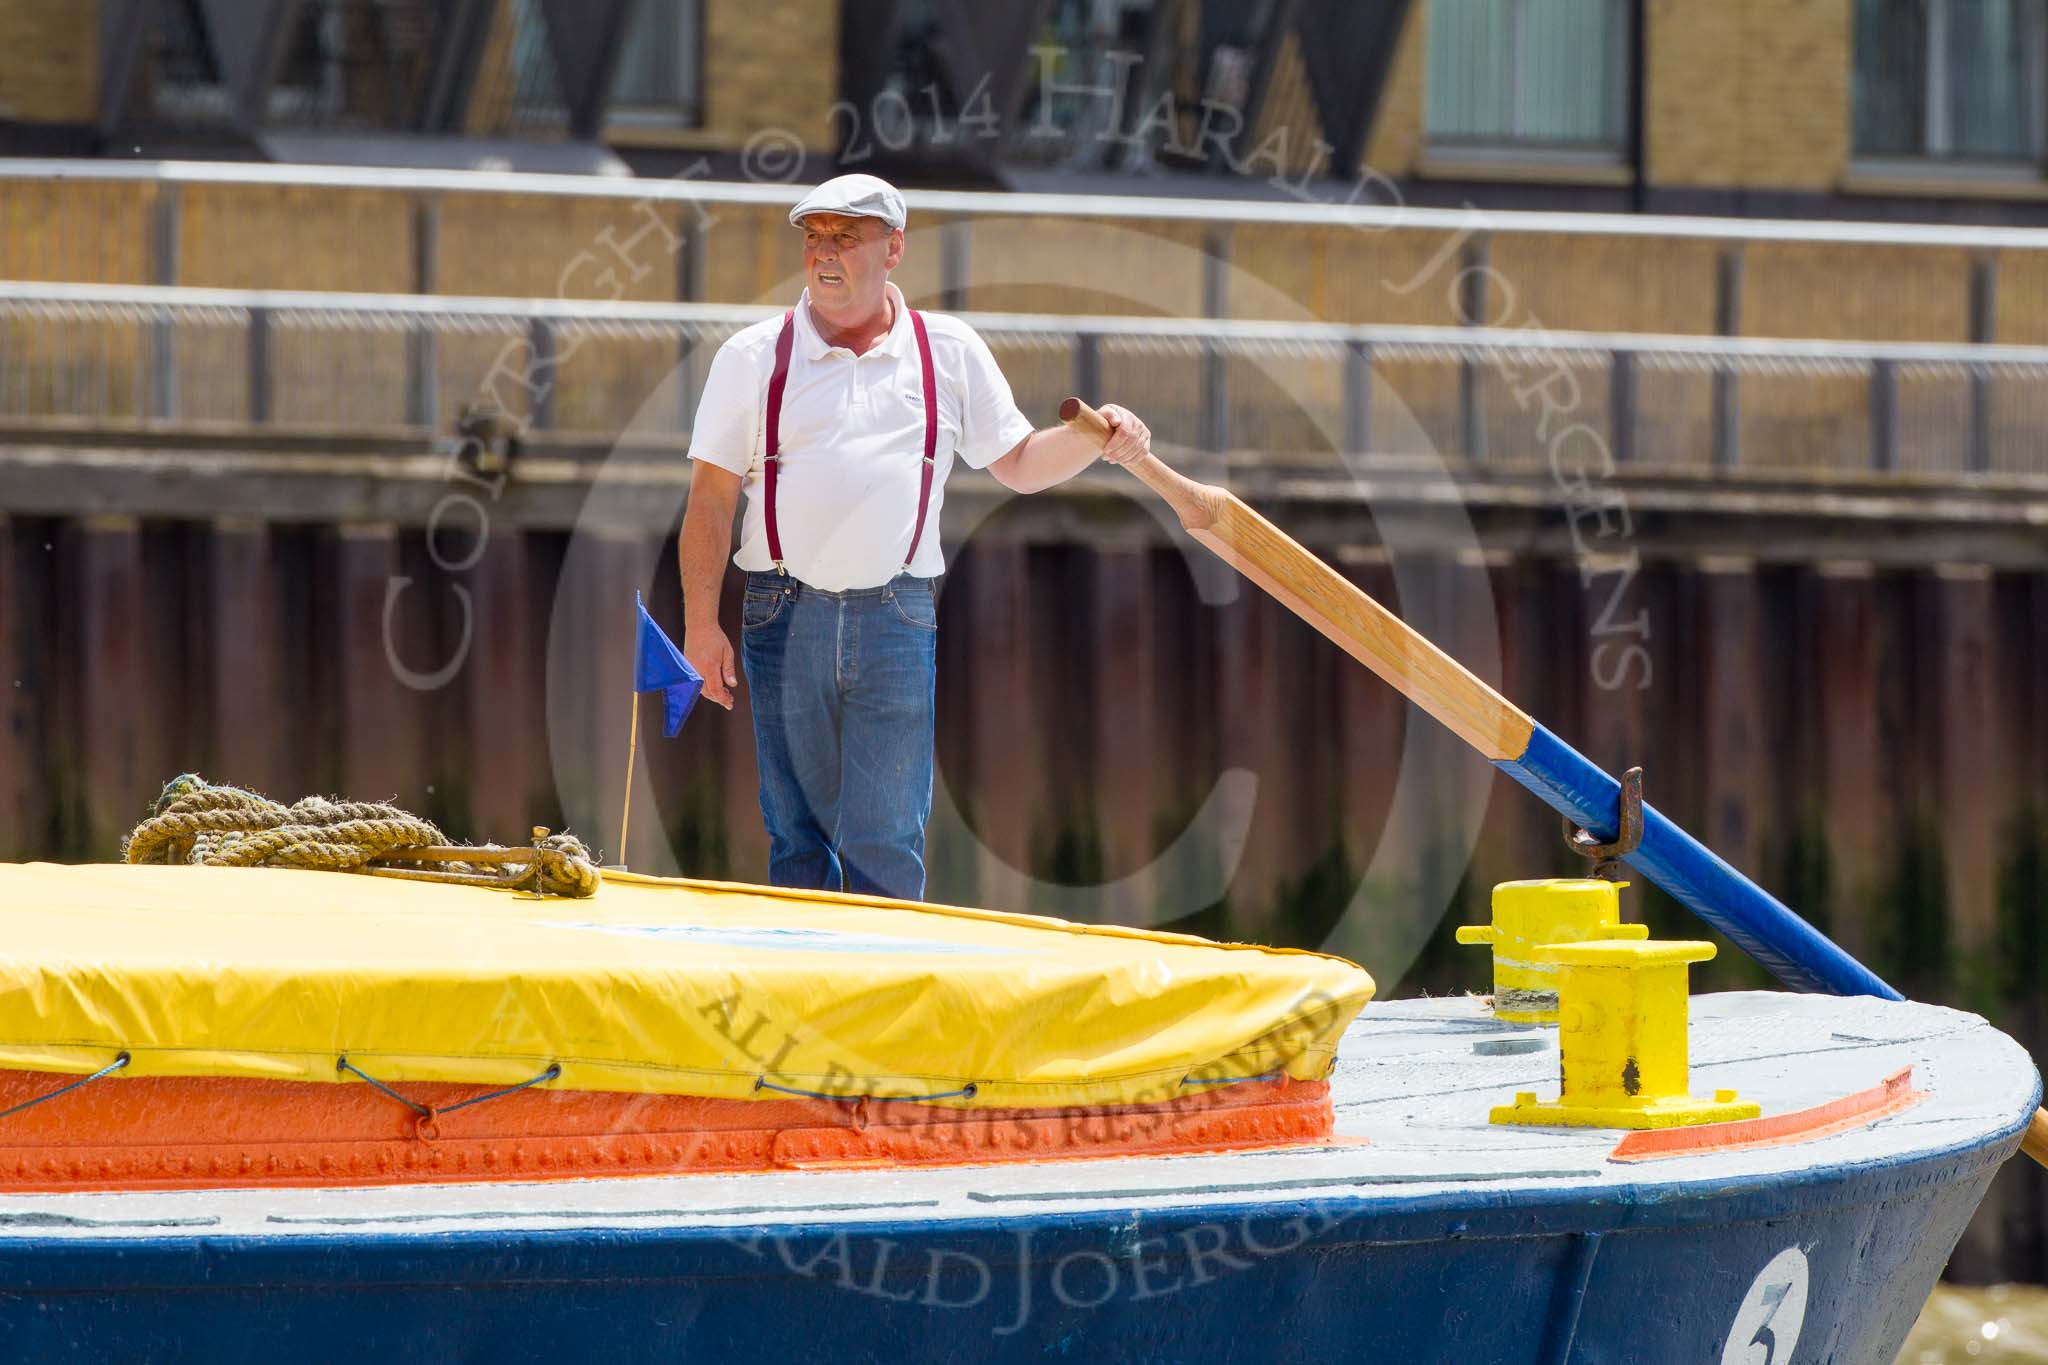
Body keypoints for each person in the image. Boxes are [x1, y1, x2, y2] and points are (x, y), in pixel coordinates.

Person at [679, 173, 1153, 902]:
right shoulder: (752, 356)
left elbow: (1021, 463)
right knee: (796, 836)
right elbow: (710, 499)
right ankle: (809, 999)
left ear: (894, 247)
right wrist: (700, 624)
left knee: (886, 839)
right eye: (814, 238)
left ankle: (882, 1003)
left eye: (846, 237)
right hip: (781, 610)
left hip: (896, 616)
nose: (824, 254)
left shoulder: (949, 350)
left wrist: (1096, 438)